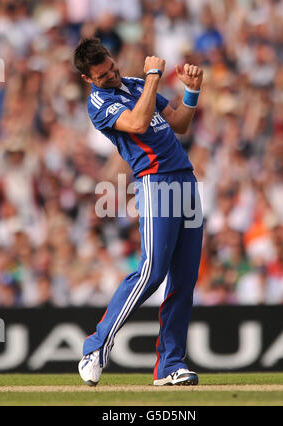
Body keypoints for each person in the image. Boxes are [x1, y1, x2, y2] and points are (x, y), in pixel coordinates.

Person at [73, 37, 204, 386]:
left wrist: (191, 91)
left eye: (113, 68)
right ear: (88, 79)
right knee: (151, 270)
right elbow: (138, 125)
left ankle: (170, 365)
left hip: (184, 179)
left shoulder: (132, 83)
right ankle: (96, 346)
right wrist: (154, 77)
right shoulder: (99, 103)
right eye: (102, 75)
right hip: (155, 182)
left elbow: (179, 123)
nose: (112, 76)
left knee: (185, 277)